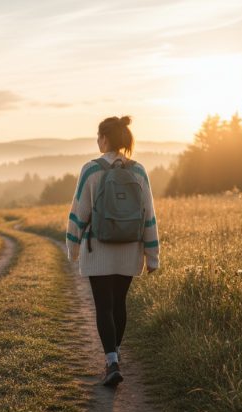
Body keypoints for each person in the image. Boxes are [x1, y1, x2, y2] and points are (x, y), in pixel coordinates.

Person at [65, 115, 160, 387]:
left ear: (105, 139)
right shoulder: (138, 171)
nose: (97, 141)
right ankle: (114, 356)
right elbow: (148, 216)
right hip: (130, 250)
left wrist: (72, 248)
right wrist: (152, 255)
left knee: (103, 306)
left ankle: (111, 361)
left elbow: (78, 211)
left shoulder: (91, 170)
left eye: (98, 137)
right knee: (119, 303)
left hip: (98, 251)